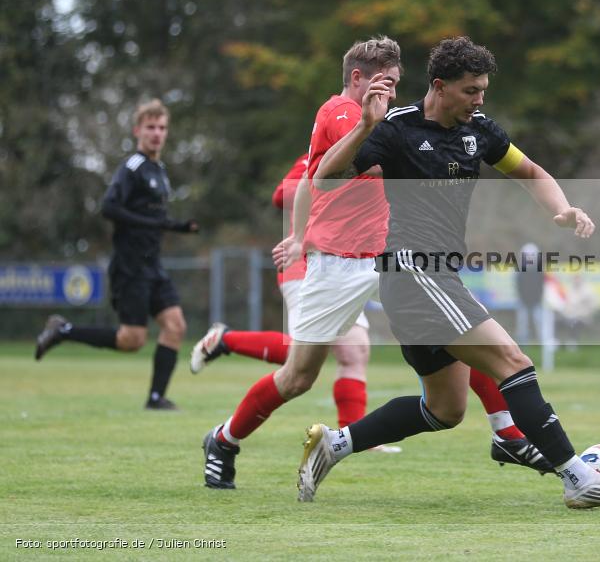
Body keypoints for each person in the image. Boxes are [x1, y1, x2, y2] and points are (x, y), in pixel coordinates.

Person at [304, 36, 600, 509]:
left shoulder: (479, 130)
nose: (479, 99)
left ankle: (335, 444)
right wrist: (366, 125)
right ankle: (579, 478)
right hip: (412, 271)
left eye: (483, 89)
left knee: (446, 409)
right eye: (471, 90)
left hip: (434, 276)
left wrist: (563, 208)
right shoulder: (396, 129)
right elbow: (324, 177)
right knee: (513, 361)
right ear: (439, 86)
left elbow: (530, 172)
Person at [200, 37, 550, 491]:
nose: (388, 92)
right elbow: (321, 176)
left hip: (394, 255)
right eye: (382, 82)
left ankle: (506, 430)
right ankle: (224, 440)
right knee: (298, 376)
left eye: (396, 83)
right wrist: (303, 238)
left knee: (461, 327)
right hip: (341, 262)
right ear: (357, 78)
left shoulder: (383, 120)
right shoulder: (346, 114)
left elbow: (315, 177)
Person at [191, 153, 376, 436]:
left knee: (355, 349)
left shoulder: (374, 151)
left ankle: (353, 439)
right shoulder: (320, 153)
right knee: (298, 359)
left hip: (346, 267)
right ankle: (225, 341)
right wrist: (327, 181)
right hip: (305, 264)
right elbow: (282, 195)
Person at [34, 99, 198, 410]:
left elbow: (153, 220)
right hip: (130, 266)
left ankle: (155, 398)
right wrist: (155, 223)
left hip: (153, 265)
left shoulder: (159, 170)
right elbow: (109, 207)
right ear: (138, 130)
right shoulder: (132, 167)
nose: (157, 134)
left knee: (175, 325)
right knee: (132, 340)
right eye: (150, 127)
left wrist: (179, 227)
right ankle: (63, 330)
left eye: (162, 128)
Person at [514, 243, 545, 343]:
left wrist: (538, 298)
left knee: (539, 321)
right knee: (522, 323)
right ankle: (522, 342)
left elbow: (541, 286)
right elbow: (518, 286)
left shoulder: (539, 271)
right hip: (523, 301)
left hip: (536, 301)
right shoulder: (520, 271)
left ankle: (542, 340)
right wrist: (522, 298)